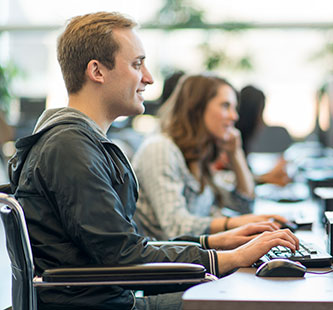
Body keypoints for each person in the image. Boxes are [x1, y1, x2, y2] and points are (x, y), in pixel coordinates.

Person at [8, 11, 298, 310]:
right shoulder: (70, 148)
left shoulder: (80, 143)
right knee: (252, 301)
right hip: (107, 304)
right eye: (137, 64)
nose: (148, 77)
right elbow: (125, 258)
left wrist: (214, 242)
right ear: (97, 71)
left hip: (111, 297)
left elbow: (125, 247)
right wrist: (230, 258)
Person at [133, 75, 289, 239]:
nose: (234, 116)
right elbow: (175, 227)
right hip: (168, 262)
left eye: (234, 108)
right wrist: (233, 223)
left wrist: (235, 154)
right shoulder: (160, 149)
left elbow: (243, 205)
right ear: (197, 108)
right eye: (225, 106)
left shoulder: (198, 153)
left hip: (194, 258)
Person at [234, 85, 291, 186]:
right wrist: (268, 177)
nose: (262, 123)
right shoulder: (230, 144)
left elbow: (245, 176)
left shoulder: (242, 144)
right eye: (260, 115)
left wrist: (268, 176)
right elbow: (231, 181)